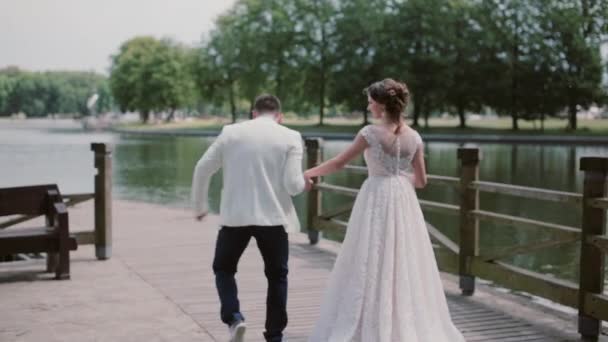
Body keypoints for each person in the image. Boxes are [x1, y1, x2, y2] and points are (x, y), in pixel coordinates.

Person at [306, 79, 465, 341]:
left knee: (369, 256)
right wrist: (400, 184)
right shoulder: (414, 137)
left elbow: (338, 162)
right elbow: (422, 181)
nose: (368, 106)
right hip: (404, 199)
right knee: (403, 259)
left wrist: (307, 173)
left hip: (376, 196)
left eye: (370, 101)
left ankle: (370, 322)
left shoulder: (370, 133)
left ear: (380, 104)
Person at [191, 94, 311, 342]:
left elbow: (202, 168)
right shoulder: (290, 136)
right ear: (280, 116)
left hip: (236, 217)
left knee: (223, 269)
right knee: (277, 276)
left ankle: (234, 318)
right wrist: (305, 183)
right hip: (274, 219)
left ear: (253, 113)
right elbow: (292, 185)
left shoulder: (230, 133)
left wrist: (200, 206)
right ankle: (275, 335)